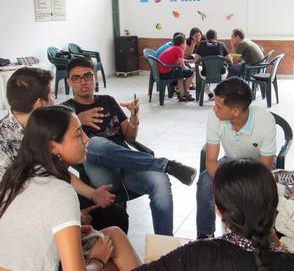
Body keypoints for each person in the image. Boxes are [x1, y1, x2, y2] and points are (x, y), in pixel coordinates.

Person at [63, 57, 196, 236]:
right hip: (100, 174)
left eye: (87, 76)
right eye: (76, 78)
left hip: (127, 167)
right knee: (95, 143)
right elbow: (62, 148)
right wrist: (79, 119)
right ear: (69, 82)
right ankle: (166, 164)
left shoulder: (108, 101)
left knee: (160, 181)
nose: (83, 82)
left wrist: (133, 117)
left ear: (96, 77)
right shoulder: (66, 112)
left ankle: (164, 244)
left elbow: (129, 136)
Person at [0, 106, 140, 271]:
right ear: (53, 146)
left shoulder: (16, 176)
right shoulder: (60, 192)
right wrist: (98, 260)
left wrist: (69, 232)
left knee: (113, 237)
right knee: (110, 253)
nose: (86, 139)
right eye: (78, 134)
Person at [0, 67, 128, 232]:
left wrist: (92, 194)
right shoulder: (6, 146)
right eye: (52, 95)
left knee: (115, 216)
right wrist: (69, 213)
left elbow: (55, 170)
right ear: (39, 104)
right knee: (110, 223)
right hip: (26, 219)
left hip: (53, 195)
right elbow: (16, 204)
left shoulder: (40, 126)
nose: (54, 100)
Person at [132, 158, 294, 271]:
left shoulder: (198, 254)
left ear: (219, 212)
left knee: (116, 235)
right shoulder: (293, 264)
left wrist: (103, 260)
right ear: (274, 206)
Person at [196, 77, 276, 238]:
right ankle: (205, 236)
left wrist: (240, 186)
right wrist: (226, 182)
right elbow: (211, 160)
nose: (214, 110)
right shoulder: (215, 118)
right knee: (205, 182)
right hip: (230, 163)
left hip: (256, 168)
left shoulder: (265, 121)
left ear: (235, 111)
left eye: (218, 106)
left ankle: (252, 235)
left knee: (254, 192)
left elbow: (265, 167)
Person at [194, 29, 233, 101]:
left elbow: (196, 61)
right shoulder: (222, 44)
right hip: (221, 74)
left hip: (205, 74)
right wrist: (221, 62)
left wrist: (205, 62)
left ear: (206, 37)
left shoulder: (201, 44)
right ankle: (218, 91)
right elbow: (230, 61)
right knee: (226, 70)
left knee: (195, 71)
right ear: (216, 37)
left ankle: (209, 92)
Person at [158, 34, 195, 102]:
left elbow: (179, 61)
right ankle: (184, 93)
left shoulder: (174, 47)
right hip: (166, 73)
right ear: (182, 44)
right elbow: (183, 66)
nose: (185, 45)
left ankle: (182, 94)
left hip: (163, 71)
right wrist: (190, 67)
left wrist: (189, 61)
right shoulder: (179, 50)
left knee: (180, 74)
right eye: (185, 43)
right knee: (191, 73)